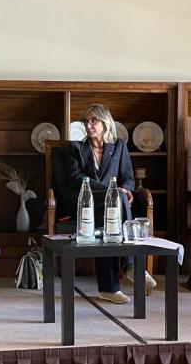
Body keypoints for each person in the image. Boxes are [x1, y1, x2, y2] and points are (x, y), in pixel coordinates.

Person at [63, 104, 156, 304]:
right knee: (116, 201)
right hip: (87, 204)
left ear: (105, 123)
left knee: (116, 206)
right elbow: (74, 180)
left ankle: (109, 288)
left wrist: (125, 191)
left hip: (113, 207)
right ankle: (131, 265)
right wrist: (111, 191)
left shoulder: (119, 146)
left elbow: (128, 178)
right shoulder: (76, 148)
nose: (89, 125)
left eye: (94, 120)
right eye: (86, 121)